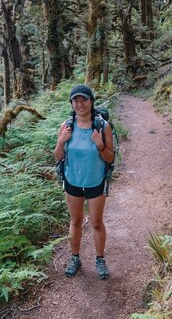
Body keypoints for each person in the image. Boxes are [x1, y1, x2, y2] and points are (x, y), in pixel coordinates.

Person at [54, 84, 114, 279]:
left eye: (84, 100)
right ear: (71, 103)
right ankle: (75, 258)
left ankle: (100, 259)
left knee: (96, 222)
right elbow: (57, 156)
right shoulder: (66, 126)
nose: (80, 104)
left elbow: (110, 158)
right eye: (76, 101)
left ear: (91, 102)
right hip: (72, 181)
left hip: (95, 181)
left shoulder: (102, 126)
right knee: (76, 221)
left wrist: (99, 144)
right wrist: (61, 141)